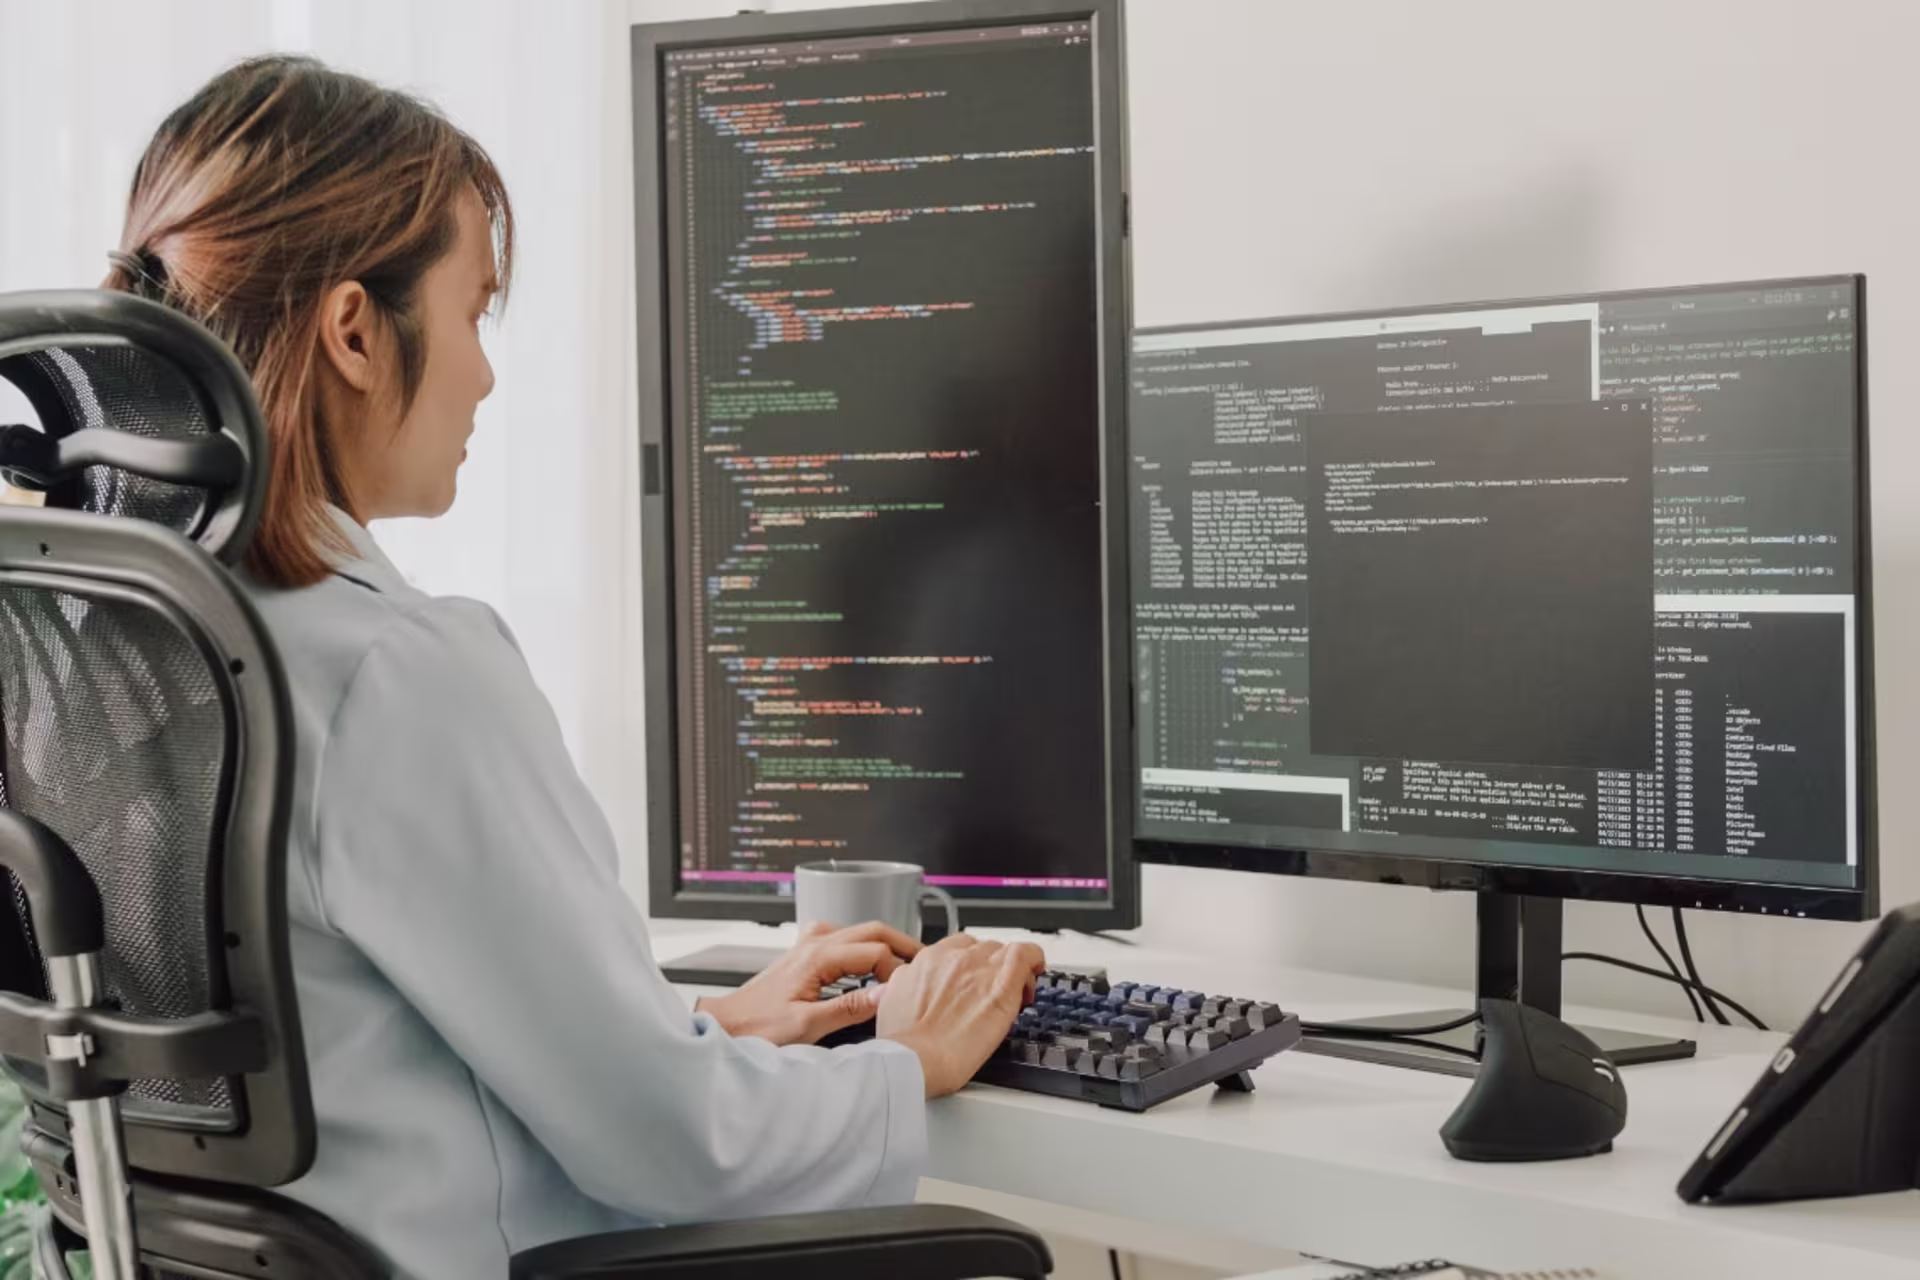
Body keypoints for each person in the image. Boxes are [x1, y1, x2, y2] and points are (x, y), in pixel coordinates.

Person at [102, 55, 1045, 1280]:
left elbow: (350, 1046)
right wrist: (907, 1058)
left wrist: (693, 1025)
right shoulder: (395, 668)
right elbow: (678, 1153)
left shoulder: (113, 641)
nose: (486, 373)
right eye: (471, 312)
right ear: (351, 330)